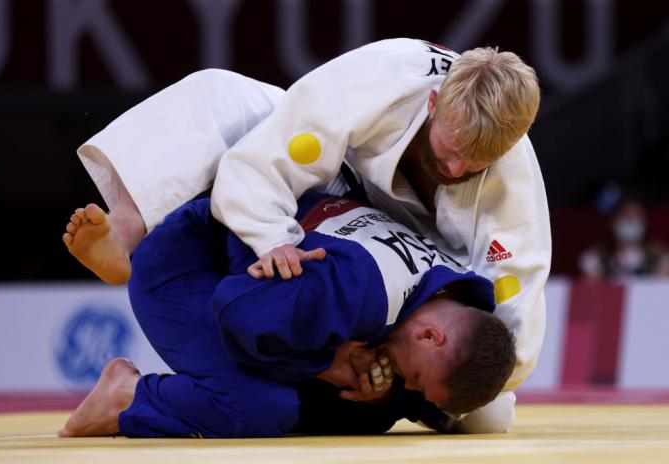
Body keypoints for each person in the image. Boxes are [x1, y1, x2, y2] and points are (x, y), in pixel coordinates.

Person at [64, 38, 550, 432]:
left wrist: (408, 373)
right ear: (432, 102)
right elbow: (263, 161)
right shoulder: (382, 74)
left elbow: (512, 312)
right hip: (332, 189)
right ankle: (129, 227)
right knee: (221, 92)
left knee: (485, 414)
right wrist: (274, 239)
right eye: (450, 150)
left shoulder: (513, 182)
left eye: (475, 164)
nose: (456, 168)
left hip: (422, 270)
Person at [59, 191, 515, 438]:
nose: (408, 384)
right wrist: (329, 364)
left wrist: (380, 394)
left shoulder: (459, 287)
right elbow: (237, 310)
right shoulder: (355, 292)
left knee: (368, 408)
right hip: (188, 263)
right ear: (431, 337)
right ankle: (129, 398)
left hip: (268, 259)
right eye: (415, 375)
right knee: (263, 410)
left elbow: (426, 386)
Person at [579, 199, 669, 279]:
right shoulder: (595, 257)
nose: (630, 220)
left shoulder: (660, 256)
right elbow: (591, 289)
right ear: (613, 220)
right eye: (625, 214)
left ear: (645, 222)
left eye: (636, 215)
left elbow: (662, 289)